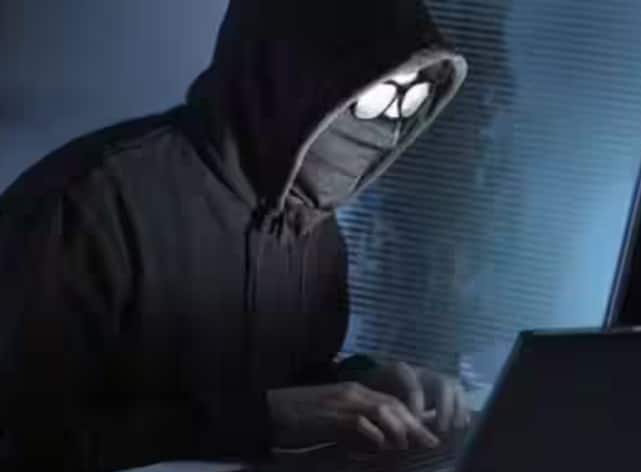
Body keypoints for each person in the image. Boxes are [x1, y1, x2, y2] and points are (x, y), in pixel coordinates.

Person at [0, 0, 469, 469]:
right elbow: (24, 437)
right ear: (289, 78)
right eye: (372, 98)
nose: (389, 124)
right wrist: (260, 420)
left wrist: (364, 389)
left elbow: (278, 383)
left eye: (408, 100)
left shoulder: (312, 227)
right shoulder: (87, 204)